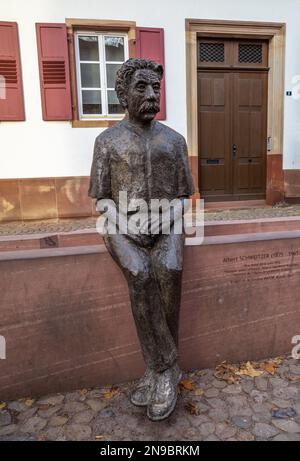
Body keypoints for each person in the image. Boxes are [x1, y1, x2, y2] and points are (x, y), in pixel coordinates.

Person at [88, 58, 194, 421]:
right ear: (122, 95)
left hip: (167, 223)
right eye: (142, 88)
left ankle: (157, 371)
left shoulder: (174, 141)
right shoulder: (106, 142)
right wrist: (122, 222)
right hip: (121, 225)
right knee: (139, 273)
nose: (152, 95)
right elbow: (101, 199)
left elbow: (183, 197)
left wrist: (165, 219)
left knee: (169, 267)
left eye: (156, 88)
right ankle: (168, 367)